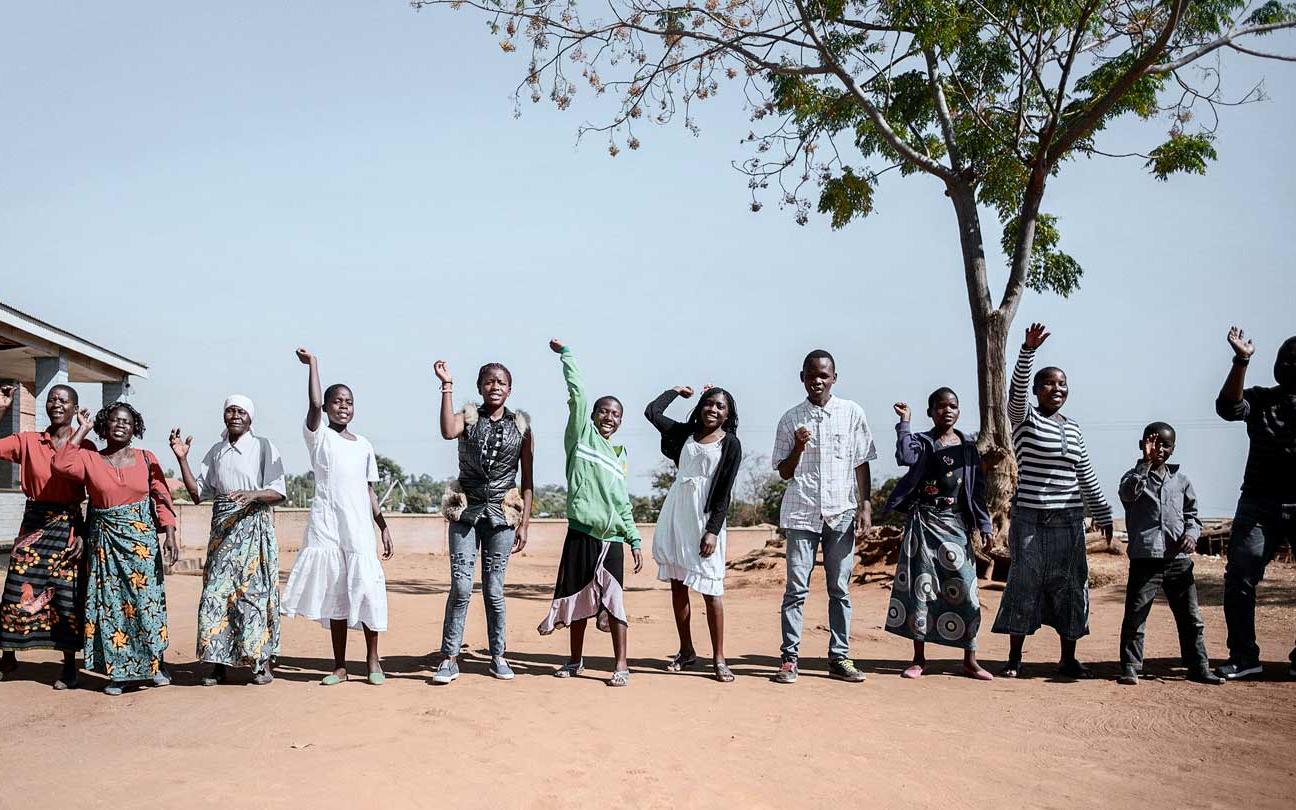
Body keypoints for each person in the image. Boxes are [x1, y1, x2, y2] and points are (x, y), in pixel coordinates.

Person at [991, 323, 1113, 679]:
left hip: (1069, 521)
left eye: (1061, 384)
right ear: (1036, 390)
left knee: (1071, 587)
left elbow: (1085, 474)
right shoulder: (1024, 419)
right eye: (1047, 383)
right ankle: (1014, 658)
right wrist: (1027, 351)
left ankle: (1068, 658)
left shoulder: (1073, 427)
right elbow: (1013, 395)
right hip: (1030, 519)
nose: (1055, 389)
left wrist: (1103, 513)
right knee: (1023, 584)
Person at [280, 349, 394, 686]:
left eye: (348, 401)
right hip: (328, 524)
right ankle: (340, 666)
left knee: (367, 588)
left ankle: (373, 662)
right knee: (337, 594)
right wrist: (314, 365)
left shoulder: (364, 445)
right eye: (337, 401)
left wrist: (383, 526)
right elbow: (313, 406)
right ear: (328, 407)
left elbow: (369, 491)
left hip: (358, 526)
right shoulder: (319, 437)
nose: (343, 406)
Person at [53, 402, 179, 695]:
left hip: (142, 544)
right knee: (111, 606)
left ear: (135, 428)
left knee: (146, 603)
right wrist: (81, 429)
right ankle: (118, 674)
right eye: (114, 421)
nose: (120, 425)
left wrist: (170, 534)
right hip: (104, 544)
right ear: (103, 426)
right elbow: (60, 465)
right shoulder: (90, 458)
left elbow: (162, 498)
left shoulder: (147, 458)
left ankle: (154, 666)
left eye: (127, 421)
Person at [538, 339, 643, 687]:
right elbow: (578, 394)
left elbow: (622, 503)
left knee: (614, 603)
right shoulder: (581, 438)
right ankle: (574, 660)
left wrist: (634, 539)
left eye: (616, 414)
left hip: (611, 539)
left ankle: (621, 665)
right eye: (604, 412)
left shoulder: (620, 456)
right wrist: (567, 356)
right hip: (581, 533)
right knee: (577, 598)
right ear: (593, 415)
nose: (609, 418)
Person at [771, 349, 876, 685]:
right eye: (811, 374)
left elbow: (861, 462)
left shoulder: (852, 413)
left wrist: (866, 504)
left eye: (824, 375)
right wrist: (799, 447)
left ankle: (840, 656)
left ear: (834, 377)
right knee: (796, 589)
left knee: (839, 588)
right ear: (802, 377)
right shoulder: (790, 419)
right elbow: (784, 472)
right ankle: (789, 659)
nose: (818, 380)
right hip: (802, 513)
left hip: (842, 513)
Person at [169, 395, 287, 687]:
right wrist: (182, 459)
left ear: (250, 418)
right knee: (215, 594)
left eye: (241, 411)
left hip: (253, 530)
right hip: (222, 533)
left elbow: (279, 491)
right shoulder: (217, 451)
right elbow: (198, 493)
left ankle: (260, 663)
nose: (234, 415)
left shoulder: (263, 447)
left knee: (253, 595)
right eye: (230, 411)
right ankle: (216, 662)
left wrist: (253, 495)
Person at [430, 359, 534, 684]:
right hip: (465, 510)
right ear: (479, 387)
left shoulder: (522, 427)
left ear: (510, 389)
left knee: (493, 589)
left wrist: (525, 524)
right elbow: (448, 430)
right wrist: (446, 385)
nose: (495, 386)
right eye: (489, 382)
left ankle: (498, 655)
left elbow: (528, 480)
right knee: (461, 586)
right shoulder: (469, 417)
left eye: (501, 382)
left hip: (503, 515)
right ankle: (449, 658)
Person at [883, 391, 993, 680]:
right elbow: (905, 456)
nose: (947, 410)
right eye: (941, 406)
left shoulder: (968, 446)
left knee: (968, 591)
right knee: (922, 590)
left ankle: (970, 659)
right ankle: (919, 659)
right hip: (924, 523)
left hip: (956, 525)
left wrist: (984, 525)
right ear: (931, 412)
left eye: (953, 406)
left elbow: (976, 490)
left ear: (959, 411)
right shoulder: (922, 441)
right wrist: (904, 422)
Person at [644, 383, 743, 683]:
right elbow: (652, 411)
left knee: (712, 590)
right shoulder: (685, 434)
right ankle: (686, 650)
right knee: (678, 584)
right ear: (701, 406)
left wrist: (712, 531)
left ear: (728, 414)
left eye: (720, 406)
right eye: (709, 403)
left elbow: (724, 492)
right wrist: (675, 391)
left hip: (705, 518)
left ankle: (719, 659)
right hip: (677, 512)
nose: (713, 409)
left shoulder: (731, 444)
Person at [0, 383, 95, 689]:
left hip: (68, 524)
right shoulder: (28, 441)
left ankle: (68, 666)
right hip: (33, 524)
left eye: (64, 400)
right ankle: (9, 655)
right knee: (16, 590)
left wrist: (84, 534)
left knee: (65, 595)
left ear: (75, 408)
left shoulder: (87, 447)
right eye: (52, 399)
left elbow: (95, 494)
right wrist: (2, 409)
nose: (56, 404)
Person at [1214, 327, 1296, 681]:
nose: (1291, 364)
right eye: (1286, 359)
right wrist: (1241, 359)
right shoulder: (1262, 399)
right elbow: (1228, 407)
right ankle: (1244, 655)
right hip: (1258, 505)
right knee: (1240, 578)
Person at [1116, 422, 1221, 685]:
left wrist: (1191, 535)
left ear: (1173, 449)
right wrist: (1144, 464)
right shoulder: (1133, 477)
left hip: (1178, 560)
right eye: (1153, 443)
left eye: (1166, 444)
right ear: (1142, 445)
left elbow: (1193, 516)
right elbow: (1128, 496)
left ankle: (1198, 666)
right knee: (1136, 615)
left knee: (1191, 618)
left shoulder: (1182, 481)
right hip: (1146, 559)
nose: (1159, 448)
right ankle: (1130, 666)